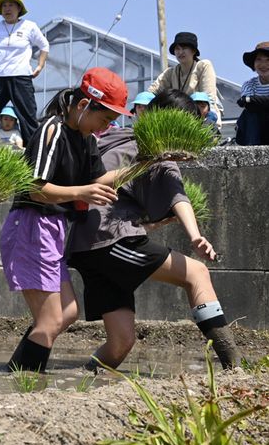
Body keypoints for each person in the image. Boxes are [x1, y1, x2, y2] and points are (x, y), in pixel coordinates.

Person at [67, 90, 240, 370]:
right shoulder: (157, 152)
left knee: (121, 342)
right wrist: (195, 235)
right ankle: (234, 365)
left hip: (83, 245)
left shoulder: (114, 137)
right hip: (110, 240)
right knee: (197, 274)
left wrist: (147, 224)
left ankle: (82, 378)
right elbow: (177, 194)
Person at [1, 68, 131, 372]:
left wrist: (147, 164)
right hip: (32, 224)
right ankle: (26, 385)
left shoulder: (85, 138)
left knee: (68, 311)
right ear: (85, 104)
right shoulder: (53, 130)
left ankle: (18, 370)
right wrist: (81, 191)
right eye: (105, 119)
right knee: (51, 320)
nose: (105, 128)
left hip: (52, 229)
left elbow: (99, 178)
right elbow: (34, 188)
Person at [0, 0, 49, 146]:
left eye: (11, 5)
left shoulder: (29, 26)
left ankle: (34, 150)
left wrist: (39, 65)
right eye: (4, 6)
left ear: (19, 8)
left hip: (21, 76)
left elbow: (44, 45)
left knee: (27, 115)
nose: (7, 9)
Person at [148, 32, 221, 124]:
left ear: (194, 51)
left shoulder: (203, 66)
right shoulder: (170, 72)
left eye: (184, 48)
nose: (180, 52)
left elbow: (209, 98)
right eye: (177, 49)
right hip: (179, 122)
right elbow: (152, 91)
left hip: (203, 120)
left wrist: (209, 123)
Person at [236, 41, 269, 146]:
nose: (263, 64)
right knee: (250, 112)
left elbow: (248, 100)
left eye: (268, 60)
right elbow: (247, 105)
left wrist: (251, 99)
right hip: (256, 130)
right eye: (259, 59)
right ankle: (252, 147)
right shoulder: (249, 84)